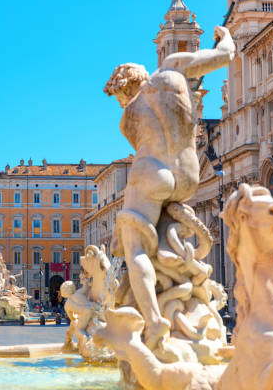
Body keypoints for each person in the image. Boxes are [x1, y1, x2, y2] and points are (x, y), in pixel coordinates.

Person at [104, 25, 235, 348]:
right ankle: (178, 287)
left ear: (125, 86)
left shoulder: (127, 117)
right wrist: (226, 37)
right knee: (163, 233)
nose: (121, 103)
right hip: (188, 176)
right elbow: (224, 55)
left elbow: (142, 142)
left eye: (120, 96)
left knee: (135, 249)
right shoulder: (172, 69)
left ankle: (155, 319)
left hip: (150, 173)